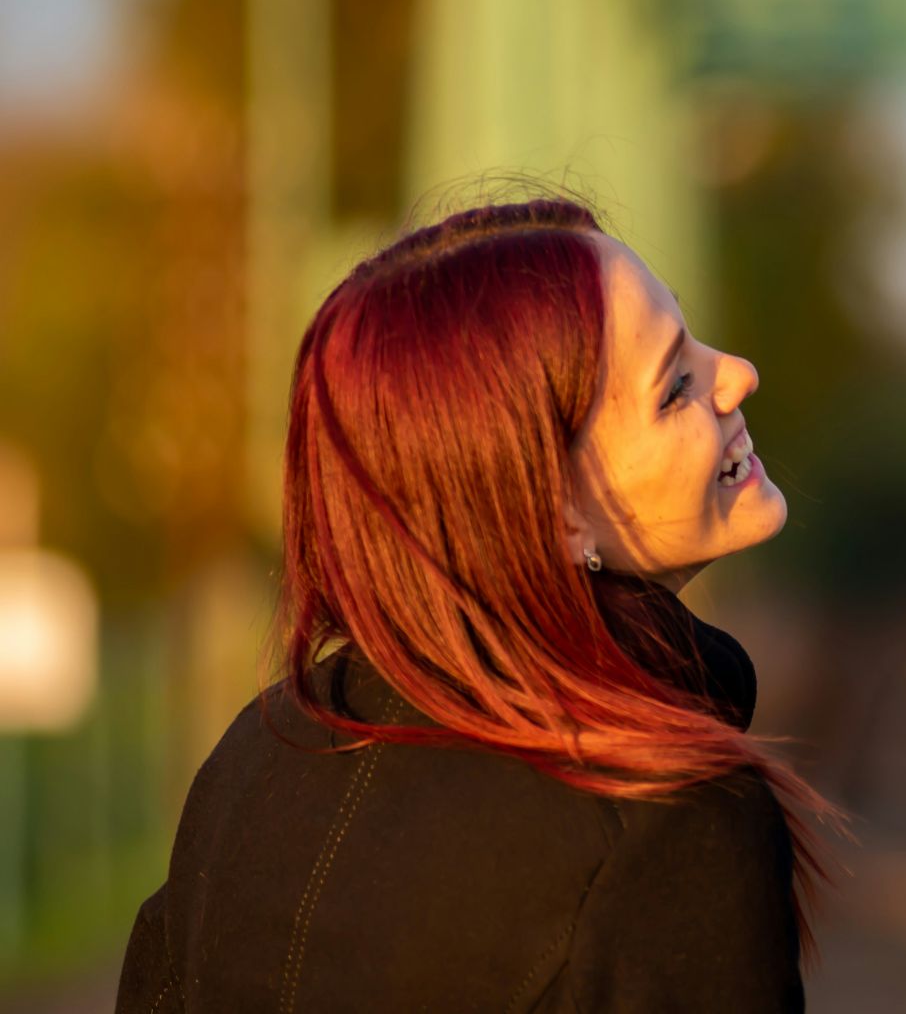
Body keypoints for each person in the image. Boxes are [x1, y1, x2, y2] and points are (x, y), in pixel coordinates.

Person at [117, 200, 829, 1012]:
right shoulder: (671, 825)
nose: (736, 373)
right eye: (675, 388)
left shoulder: (252, 763)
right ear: (550, 513)